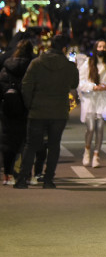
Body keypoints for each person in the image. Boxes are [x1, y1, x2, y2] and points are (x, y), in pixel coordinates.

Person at [14, 33, 79, 189]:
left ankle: (23, 179)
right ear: (64, 48)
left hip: (37, 110)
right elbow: (74, 84)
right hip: (59, 112)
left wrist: (30, 104)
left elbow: (26, 86)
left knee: (31, 145)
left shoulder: (36, 63)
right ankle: (48, 179)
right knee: (54, 145)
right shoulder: (69, 66)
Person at [77, 40, 106, 168]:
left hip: (103, 100)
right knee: (90, 128)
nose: (102, 48)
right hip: (90, 100)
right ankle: (87, 150)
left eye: (104, 47)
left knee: (100, 128)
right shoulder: (87, 63)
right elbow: (81, 82)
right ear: (95, 48)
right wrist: (93, 87)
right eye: (99, 46)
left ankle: (96, 155)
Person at [0, 39, 35, 185]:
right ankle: (26, 174)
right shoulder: (33, 66)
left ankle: (7, 175)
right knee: (27, 143)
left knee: (8, 142)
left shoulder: (6, 67)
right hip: (27, 108)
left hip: (8, 108)